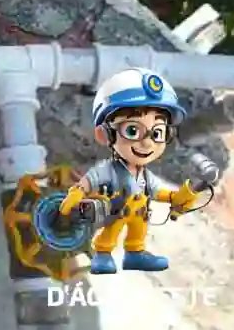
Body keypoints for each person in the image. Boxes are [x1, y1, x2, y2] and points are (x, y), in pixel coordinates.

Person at [58, 68, 192, 275]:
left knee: (139, 229)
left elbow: (156, 191)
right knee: (111, 231)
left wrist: (175, 197)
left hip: (139, 212)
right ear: (105, 134)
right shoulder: (109, 170)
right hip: (115, 211)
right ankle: (103, 254)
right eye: (132, 130)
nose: (147, 143)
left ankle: (135, 253)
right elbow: (87, 183)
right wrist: (75, 194)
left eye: (157, 133)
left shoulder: (144, 175)